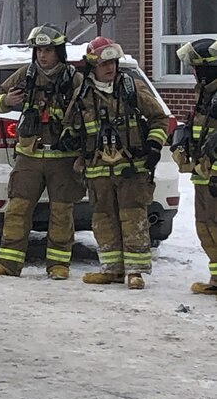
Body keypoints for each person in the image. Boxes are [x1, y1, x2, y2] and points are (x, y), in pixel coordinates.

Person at [65, 37, 169, 289]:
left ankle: (135, 271)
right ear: (93, 66)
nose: (110, 68)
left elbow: (159, 118)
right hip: (98, 171)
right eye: (104, 64)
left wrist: (154, 145)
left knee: (133, 217)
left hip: (131, 169)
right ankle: (111, 269)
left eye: (112, 63)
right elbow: (70, 126)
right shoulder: (82, 95)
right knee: (103, 219)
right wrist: (69, 138)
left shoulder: (132, 88)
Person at [0, 24, 85, 280]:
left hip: (62, 158)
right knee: (17, 209)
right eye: (39, 50)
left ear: (59, 52)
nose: (42, 55)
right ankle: (8, 263)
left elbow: (88, 112)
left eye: (48, 50)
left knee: (61, 212)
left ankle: (58, 264)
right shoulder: (25, 74)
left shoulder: (74, 79)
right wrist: (7, 101)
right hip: (29, 156)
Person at [174, 38, 217, 295]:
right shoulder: (204, 94)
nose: (194, 73)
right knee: (205, 228)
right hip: (201, 175)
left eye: (196, 68)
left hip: (214, 177)